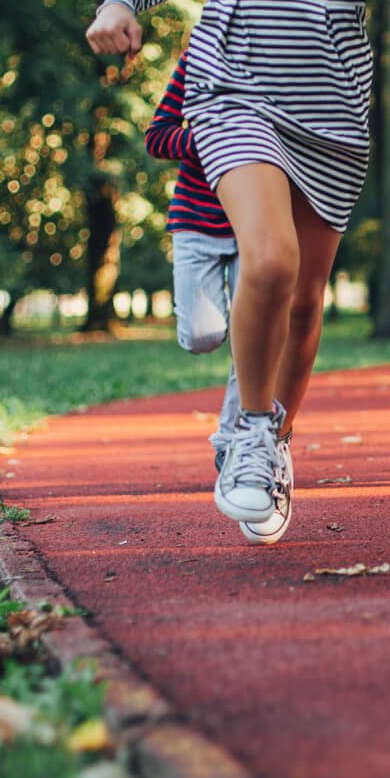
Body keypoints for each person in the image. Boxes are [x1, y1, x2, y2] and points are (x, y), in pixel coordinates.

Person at [86, 0, 390, 541]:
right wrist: (119, 2)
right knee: (269, 261)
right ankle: (249, 431)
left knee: (306, 300)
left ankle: (273, 447)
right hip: (230, 93)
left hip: (333, 114)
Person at [142, 51, 256, 518]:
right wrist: (212, 139)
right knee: (203, 336)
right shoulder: (198, 60)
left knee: (257, 334)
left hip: (255, 223)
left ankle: (232, 440)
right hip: (196, 221)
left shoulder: (290, 61)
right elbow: (157, 136)